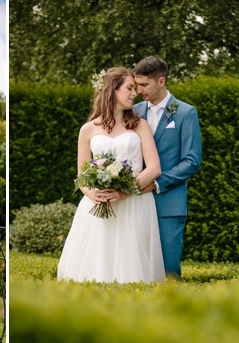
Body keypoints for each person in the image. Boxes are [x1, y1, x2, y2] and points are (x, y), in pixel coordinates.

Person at [57, 67, 165, 283]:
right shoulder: (87, 129)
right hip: (99, 203)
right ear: (112, 90)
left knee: (133, 267)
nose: (134, 93)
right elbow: (82, 174)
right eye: (129, 88)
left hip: (134, 202)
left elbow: (154, 168)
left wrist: (125, 191)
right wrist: (92, 194)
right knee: (96, 266)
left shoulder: (140, 126)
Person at [132, 56, 202, 281]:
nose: (138, 90)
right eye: (136, 84)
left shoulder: (184, 112)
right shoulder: (133, 112)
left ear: (161, 81)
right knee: (136, 268)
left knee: (168, 270)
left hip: (168, 203)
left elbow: (192, 161)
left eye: (144, 85)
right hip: (134, 202)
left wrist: (156, 183)